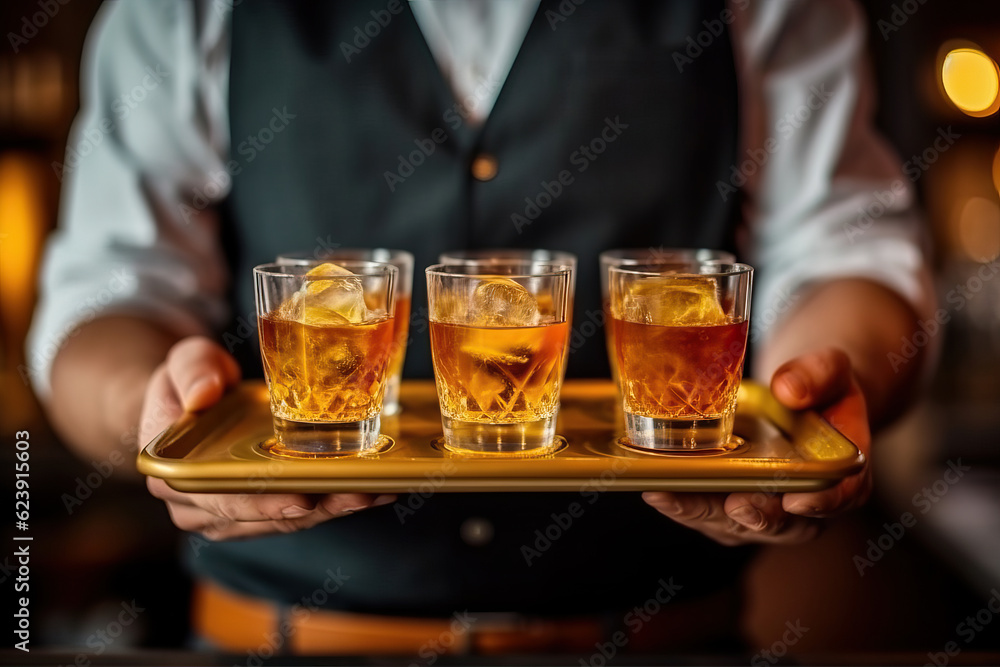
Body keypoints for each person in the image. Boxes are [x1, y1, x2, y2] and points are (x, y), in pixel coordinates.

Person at [29, 0, 934, 654]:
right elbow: (107, 299)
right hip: (280, 636)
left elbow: (845, 252)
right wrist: (154, 416)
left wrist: (822, 395)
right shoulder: (176, 12)